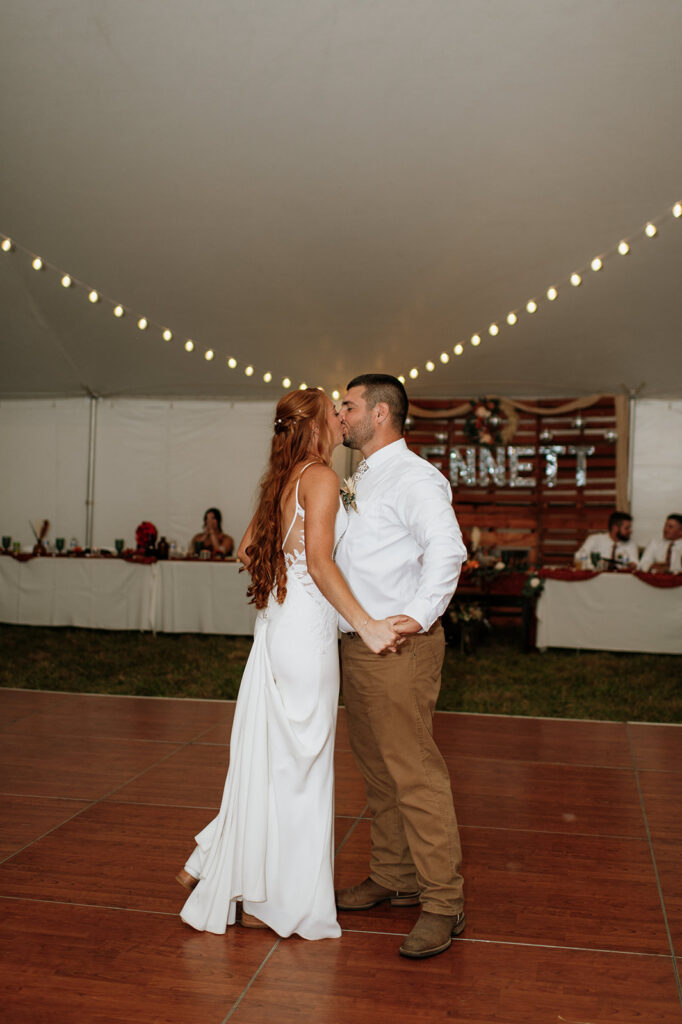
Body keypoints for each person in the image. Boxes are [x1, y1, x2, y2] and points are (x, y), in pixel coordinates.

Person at [176, 388, 400, 940]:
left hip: (277, 629)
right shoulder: (321, 477)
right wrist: (367, 624)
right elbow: (321, 564)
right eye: (335, 411)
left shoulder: (284, 477)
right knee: (302, 770)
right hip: (305, 636)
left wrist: (284, 570)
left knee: (276, 762)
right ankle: (284, 902)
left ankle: (228, 873)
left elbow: (246, 548)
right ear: (319, 424)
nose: (341, 418)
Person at [334, 373, 468, 960]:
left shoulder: (414, 478)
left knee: (414, 774)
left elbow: (448, 549)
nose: (339, 414)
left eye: (349, 405)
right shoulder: (361, 475)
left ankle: (444, 902)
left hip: (397, 650)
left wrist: (412, 618)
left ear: (381, 414)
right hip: (359, 647)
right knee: (379, 772)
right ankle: (395, 876)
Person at [574, 511, 638, 570]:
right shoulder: (594, 539)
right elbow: (579, 556)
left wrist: (632, 565)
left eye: (630, 528)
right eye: (627, 528)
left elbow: (634, 562)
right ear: (615, 528)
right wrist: (593, 564)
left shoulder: (631, 544)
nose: (630, 531)